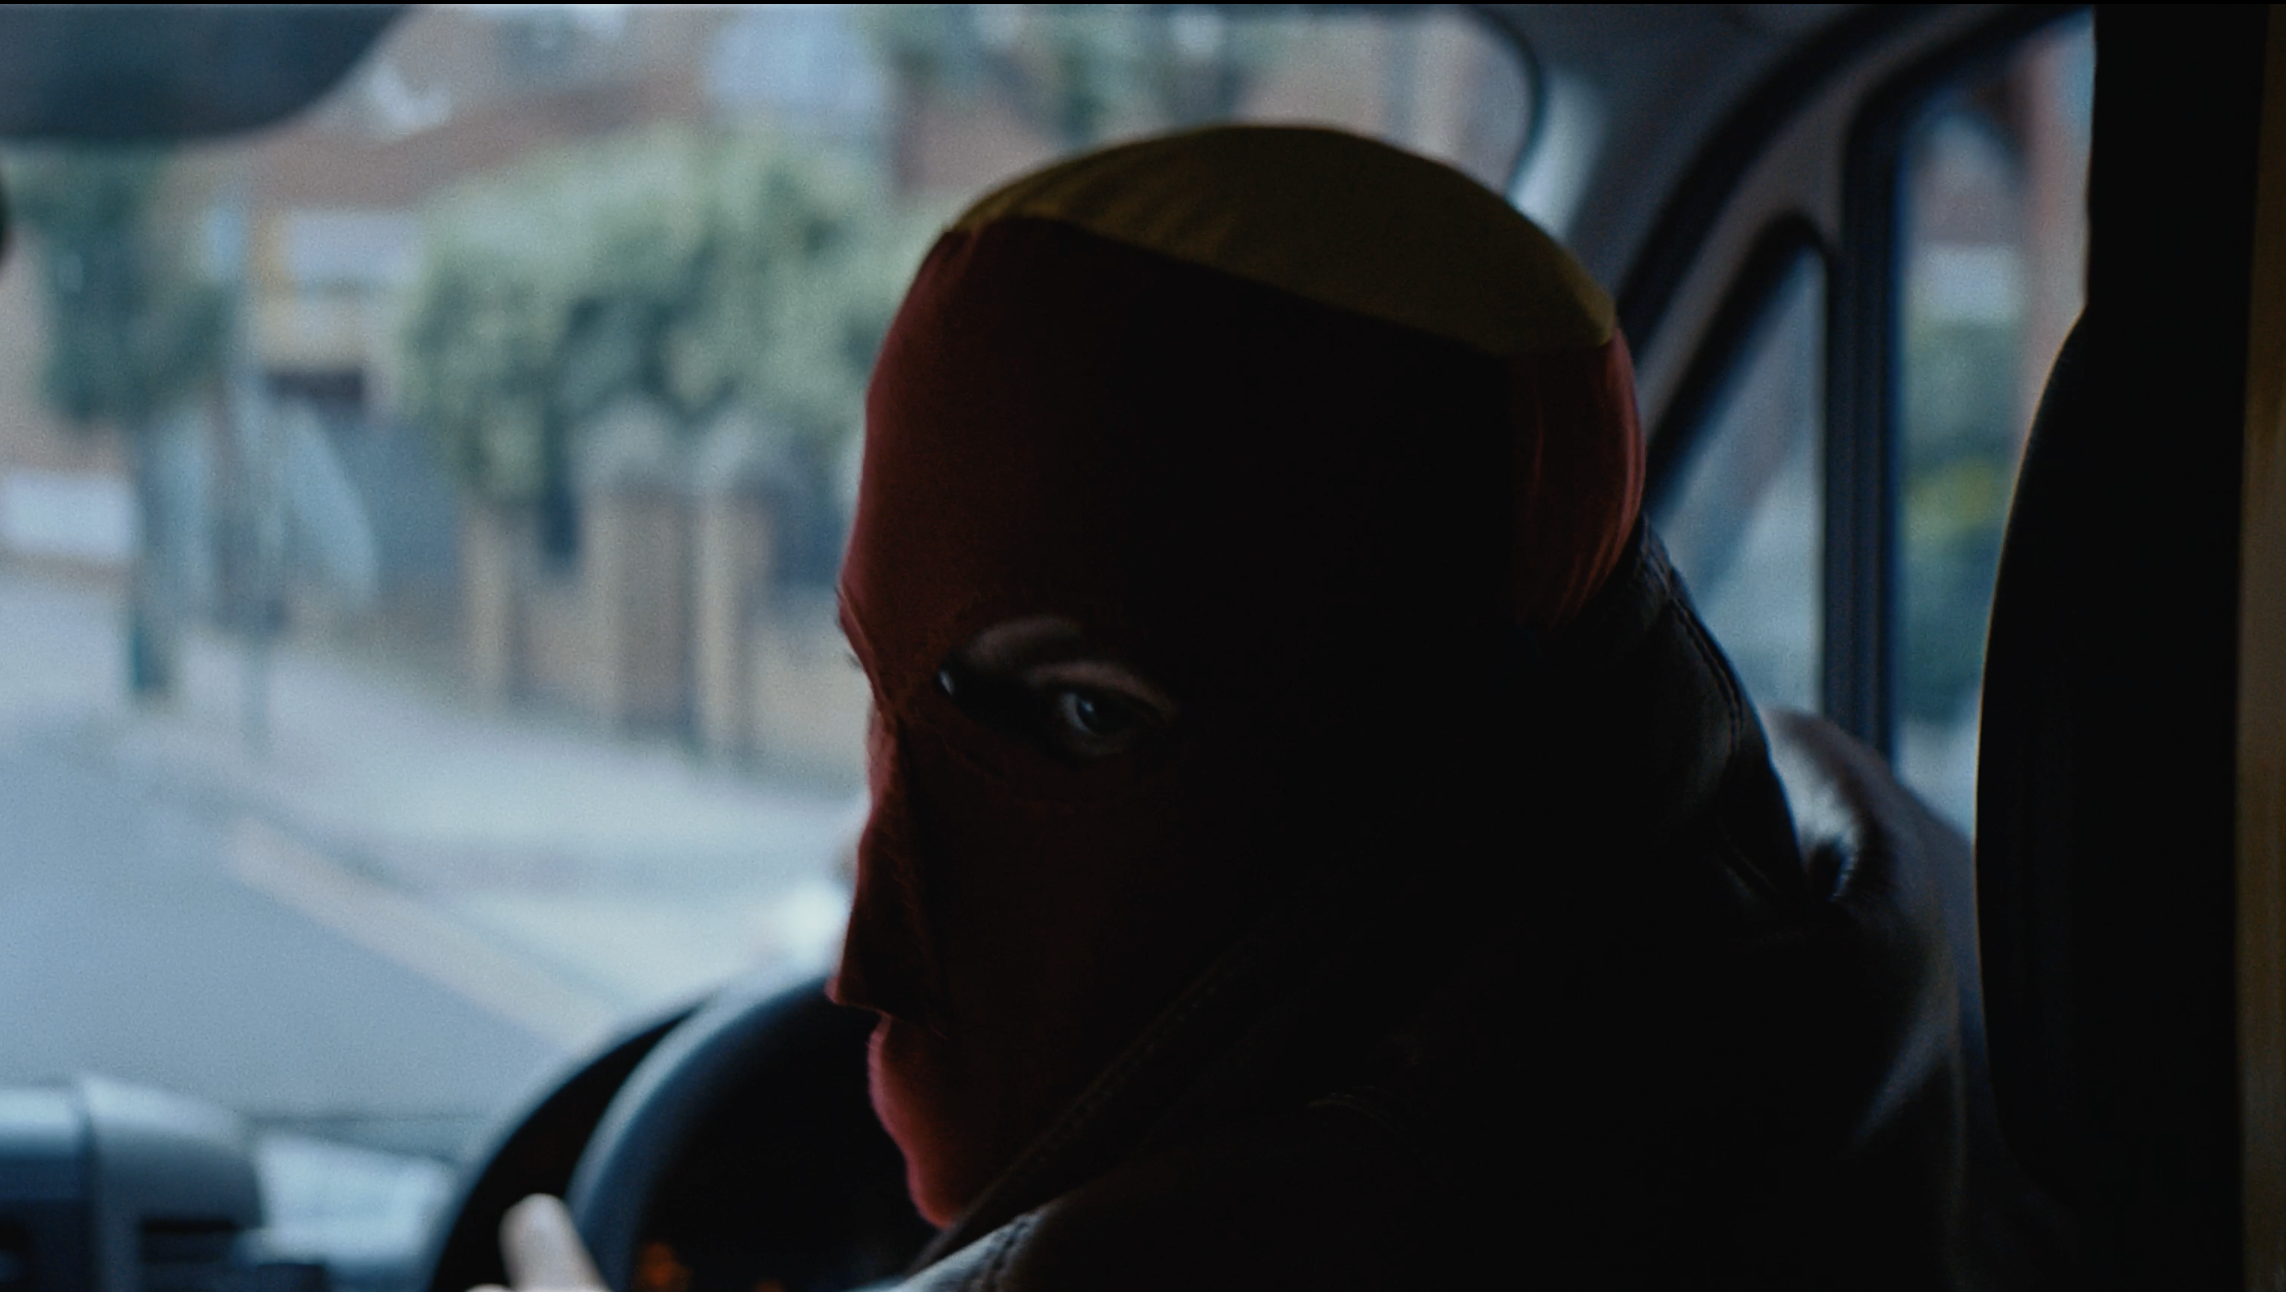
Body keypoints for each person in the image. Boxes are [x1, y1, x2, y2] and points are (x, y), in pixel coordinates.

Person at [484, 124, 2045, 1292]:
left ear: (1458, 753)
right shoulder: (1830, 953)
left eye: (1082, 719)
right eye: (888, 714)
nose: (866, 964)